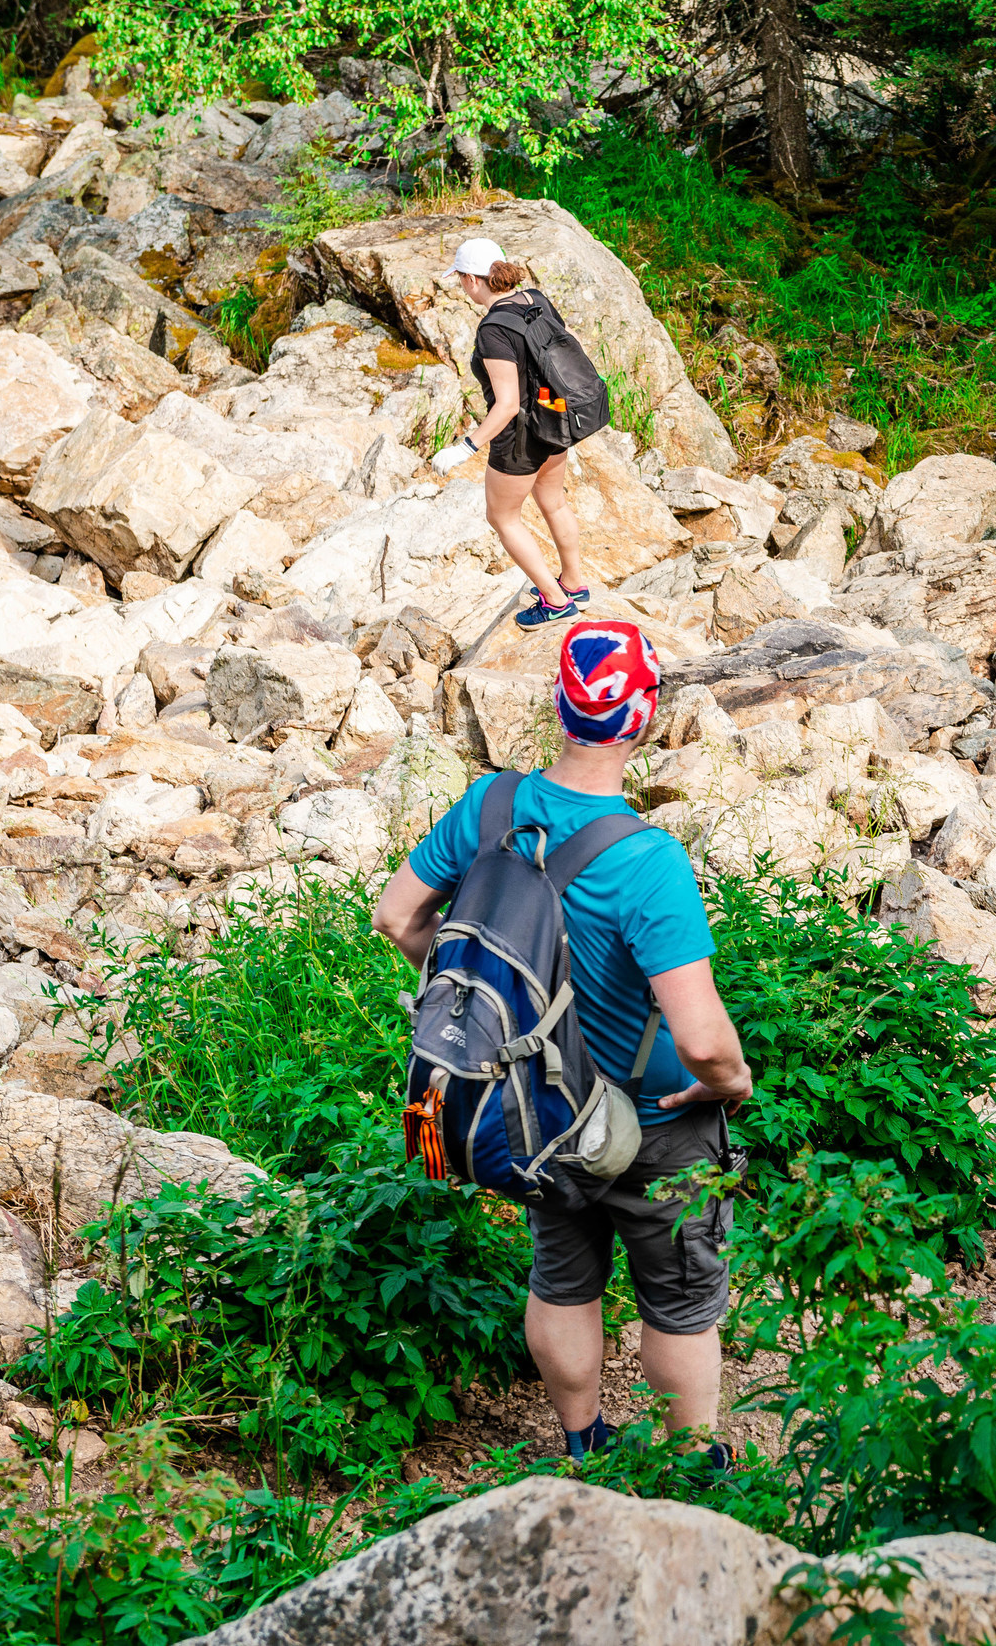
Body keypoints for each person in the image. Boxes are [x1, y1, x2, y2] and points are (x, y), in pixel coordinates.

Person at [371, 619, 754, 1458]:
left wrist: (484, 1011)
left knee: (562, 1275)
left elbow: (397, 915)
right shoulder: (648, 860)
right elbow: (702, 1040)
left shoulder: (491, 805)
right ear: (644, 718)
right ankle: (690, 1470)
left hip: (535, 1108)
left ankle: (584, 1444)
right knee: (679, 1302)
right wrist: (732, 1082)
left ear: (559, 704)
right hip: (651, 1120)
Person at [431, 237, 590, 629]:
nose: (461, 286)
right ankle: (574, 584)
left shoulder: (493, 330)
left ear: (472, 279)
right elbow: (562, 349)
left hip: (520, 436)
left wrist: (466, 447)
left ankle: (556, 602)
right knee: (553, 502)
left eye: (460, 279)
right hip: (554, 419)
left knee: (502, 517)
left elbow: (506, 404)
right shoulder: (536, 299)